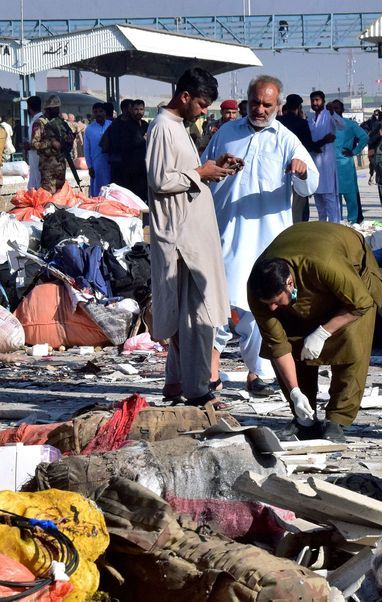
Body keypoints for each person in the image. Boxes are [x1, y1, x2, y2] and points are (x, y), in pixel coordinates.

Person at [202, 74, 319, 398]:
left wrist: (302, 170)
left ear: (278, 106)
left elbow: (311, 185)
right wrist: (217, 167)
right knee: (220, 304)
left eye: (267, 104)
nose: (260, 109)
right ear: (247, 101)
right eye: (255, 103)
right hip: (226, 232)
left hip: (267, 240)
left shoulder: (286, 139)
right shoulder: (226, 132)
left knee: (259, 305)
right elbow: (203, 172)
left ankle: (259, 372)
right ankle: (211, 374)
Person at [248, 222, 382, 441]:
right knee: (291, 340)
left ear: (289, 283)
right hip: (311, 274)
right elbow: (278, 345)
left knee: (351, 339)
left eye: (275, 302)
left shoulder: (326, 265)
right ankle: (305, 419)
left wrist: (323, 332)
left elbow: (360, 303)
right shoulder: (258, 291)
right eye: (268, 304)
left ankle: (337, 420)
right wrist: (294, 392)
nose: (271, 308)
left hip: (353, 277)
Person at [146, 66, 233, 405]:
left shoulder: (179, 127)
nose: (203, 110)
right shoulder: (162, 129)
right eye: (200, 103)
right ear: (184, 97)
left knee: (191, 313)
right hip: (180, 237)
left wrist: (212, 168)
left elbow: (180, 174)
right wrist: (201, 172)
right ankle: (197, 389)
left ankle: (177, 382)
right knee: (197, 315)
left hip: (191, 234)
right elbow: (160, 180)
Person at [277, 93, 324, 223]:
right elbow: (309, 145)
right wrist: (323, 141)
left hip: (279, 170)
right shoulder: (302, 123)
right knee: (300, 203)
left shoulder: (278, 122)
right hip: (297, 168)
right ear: (299, 107)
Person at [328, 99, 368, 224]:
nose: (335, 111)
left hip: (345, 165)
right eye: (332, 108)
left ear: (342, 110)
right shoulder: (327, 125)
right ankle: (337, 222)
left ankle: (353, 222)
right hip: (330, 166)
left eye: (337, 108)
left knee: (350, 196)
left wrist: (354, 151)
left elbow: (364, 137)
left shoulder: (349, 125)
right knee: (334, 198)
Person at [101, 98, 149, 201]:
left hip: (142, 169)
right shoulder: (123, 125)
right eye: (136, 109)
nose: (138, 112)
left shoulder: (145, 125)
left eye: (141, 109)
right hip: (126, 169)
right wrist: (142, 140)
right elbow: (123, 144)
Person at [307, 90, 341, 222]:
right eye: (313, 100)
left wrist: (333, 112)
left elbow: (341, 125)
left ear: (323, 101)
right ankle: (322, 229)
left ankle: (334, 228)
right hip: (314, 161)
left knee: (330, 200)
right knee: (319, 202)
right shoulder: (309, 118)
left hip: (327, 163)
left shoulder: (329, 115)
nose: (315, 103)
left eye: (317, 100)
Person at [31, 95, 74, 194]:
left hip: (60, 165)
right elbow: (34, 144)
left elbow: (69, 136)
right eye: (55, 109)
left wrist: (69, 140)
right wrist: (51, 143)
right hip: (48, 167)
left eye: (58, 108)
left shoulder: (60, 122)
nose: (57, 111)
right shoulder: (40, 123)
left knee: (60, 195)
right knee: (48, 196)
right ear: (48, 109)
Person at [83, 102, 112, 196]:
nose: (98, 114)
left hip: (110, 163)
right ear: (93, 113)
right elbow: (87, 150)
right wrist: (90, 166)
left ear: (105, 112)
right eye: (96, 112)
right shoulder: (89, 129)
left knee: (111, 190)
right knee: (97, 191)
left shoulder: (111, 125)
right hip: (96, 165)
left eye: (101, 111)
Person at [25, 95, 43, 190]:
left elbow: (36, 142)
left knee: (38, 182)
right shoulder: (41, 119)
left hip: (37, 158)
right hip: (37, 158)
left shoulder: (36, 121)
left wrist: (28, 145)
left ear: (29, 108)